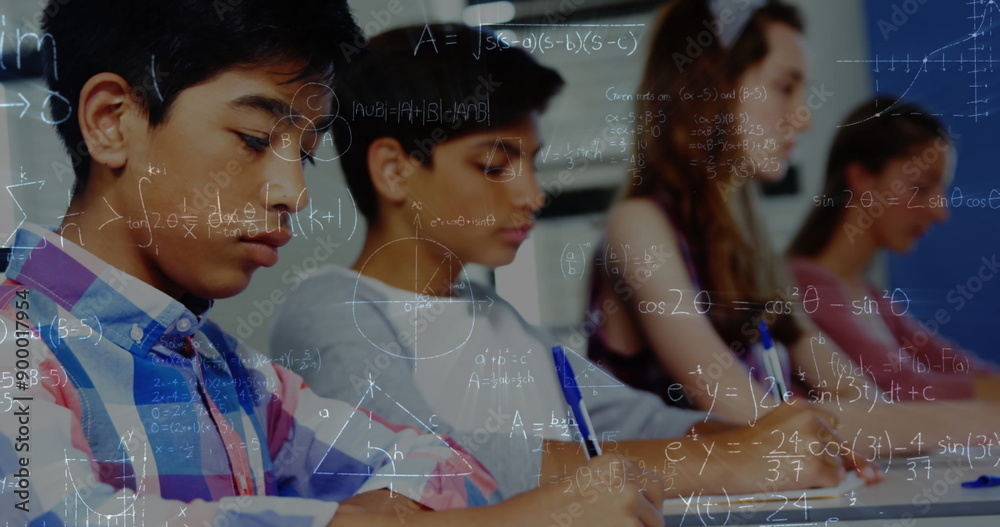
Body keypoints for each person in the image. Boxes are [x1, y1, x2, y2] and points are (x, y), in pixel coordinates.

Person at [0, 2, 667, 526]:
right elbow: (63, 517)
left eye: (307, 150)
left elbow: (452, 471)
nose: (294, 191)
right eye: (255, 139)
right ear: (112, 121)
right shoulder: (16, 340)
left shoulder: (239, 376)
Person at [270, 23, 879, 502]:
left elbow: (634, 419)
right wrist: (725, 461)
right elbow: (426, 463)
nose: (532, 195)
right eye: (494, 165)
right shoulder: (329, 310)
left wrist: (774, 440)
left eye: (534, 162)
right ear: (394, 169)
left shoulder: (494, 316)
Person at [586, 0, 1000, 443]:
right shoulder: (638, 227)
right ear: (709, 88)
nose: (804, 117)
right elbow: (756, 417)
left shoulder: (751, 252)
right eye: (785, 88)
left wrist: (971, 424)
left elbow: (856, 396)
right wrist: (976, 423)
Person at [786, 97, 1000, 400]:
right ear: (861, 177)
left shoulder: (870, 298)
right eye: (922, 188)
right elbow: (901, 387)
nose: (940, 212)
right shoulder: (806, 285)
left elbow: (954, 364)